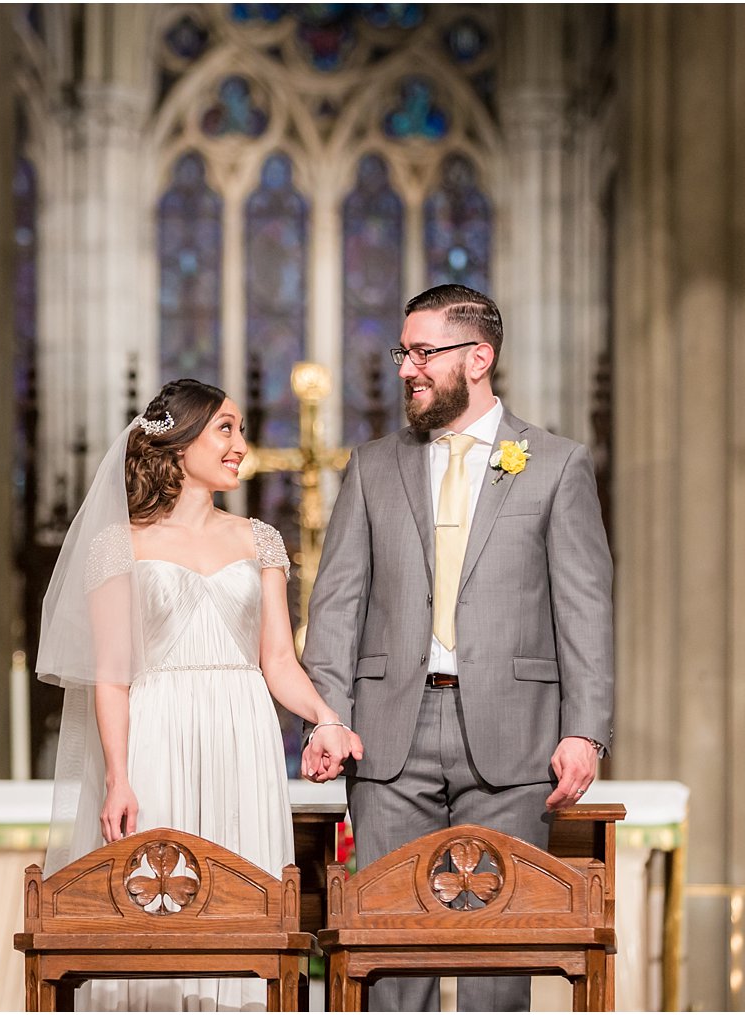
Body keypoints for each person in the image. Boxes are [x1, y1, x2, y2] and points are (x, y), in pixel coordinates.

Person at [301, 284, 615, 1012]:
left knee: (498, 956)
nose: (407, 368)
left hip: (515, 738)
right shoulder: (373, 465)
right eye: (402, 352)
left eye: (423, 352)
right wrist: (327, 714)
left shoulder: (556, 464)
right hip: (387, 737)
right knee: (387, 948)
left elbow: (585, 607)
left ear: (479, 357)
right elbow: (338, 604)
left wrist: (585, 730)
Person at [36, 378, 362, 1012]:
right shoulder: (117, 544)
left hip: (244, 736)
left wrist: (325, 717)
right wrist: (119, 778)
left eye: (241, 429)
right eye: (226, 429)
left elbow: (277, 660)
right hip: (157, 729)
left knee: (245, 903)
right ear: (180, 442)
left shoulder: (258, 538)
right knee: (158, 901)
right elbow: (111, 673)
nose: (241, 444)